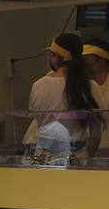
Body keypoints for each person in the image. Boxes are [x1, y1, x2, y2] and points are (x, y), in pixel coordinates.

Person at [28, 33, 101, 162]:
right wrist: (85, 156)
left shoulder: (38, 85)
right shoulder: (91, 86)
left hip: (43, 158)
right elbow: (96, 135)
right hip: (76, 158)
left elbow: (36, 118)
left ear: (57, 57)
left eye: (52, 54)